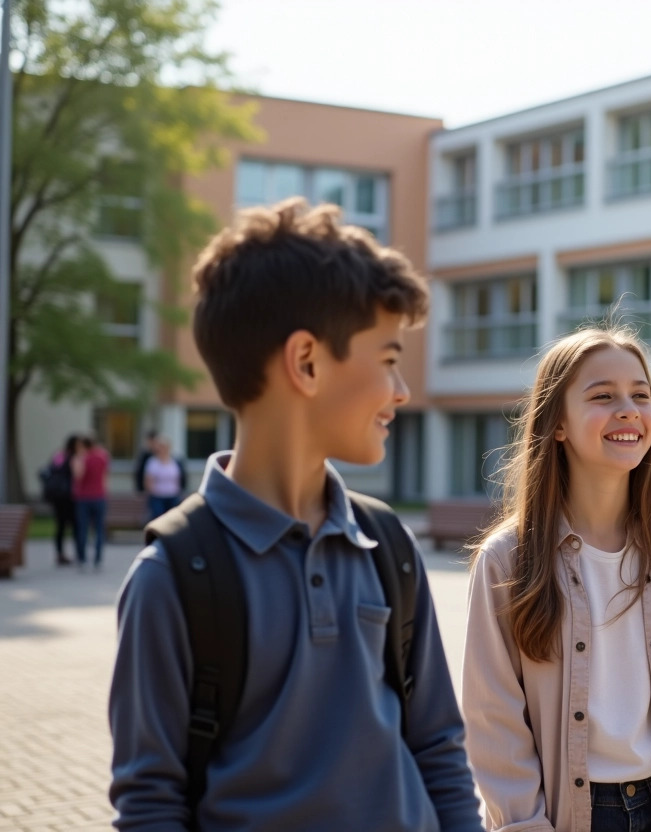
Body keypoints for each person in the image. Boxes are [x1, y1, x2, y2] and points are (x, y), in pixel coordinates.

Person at [108, 198, 483, 831]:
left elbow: (439, 751)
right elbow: (150, 805)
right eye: (389, 360)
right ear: (306, 361)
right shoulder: (172, 576)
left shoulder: (386, 544)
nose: (401, 391)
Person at [463, 325, 651, 832]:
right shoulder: (507, 560)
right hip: (562, 816)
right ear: (558, 425)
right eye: (602, 396)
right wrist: (523, 824)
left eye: (641, 395)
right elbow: (494, 719)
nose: (628, 409)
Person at [71, 433, 109, 570]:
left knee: (83, 528)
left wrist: (78, 460)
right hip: (99, 496)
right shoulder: (103, 456)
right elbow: (105, 476)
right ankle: (98, 558)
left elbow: (78, 476)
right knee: (99, 529)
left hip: (83, 498)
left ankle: (82, 558)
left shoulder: (82, 458)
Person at [40, 434, 78, 566]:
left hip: (57, 496)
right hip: (69, 496)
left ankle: (60, 553)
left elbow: (51, 469)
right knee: (74, 525)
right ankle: (77, 553)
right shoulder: (74, 457)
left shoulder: (59, 455)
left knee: (60, 525)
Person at [142, 437, 187, 521]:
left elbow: (179, 478)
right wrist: (152, 492)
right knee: (159, 519)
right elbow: (148, 480)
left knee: (173, 520)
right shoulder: (152, 462)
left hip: (173, 496)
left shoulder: (175, 461)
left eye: (164, 446)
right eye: (160, 446)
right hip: (157, 497)